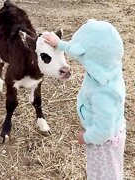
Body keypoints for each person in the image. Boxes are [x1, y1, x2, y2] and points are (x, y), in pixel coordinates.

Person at [43, 19, 126, 180]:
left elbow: (104, 130)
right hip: (105, 136)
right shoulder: (108, 66)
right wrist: (59, 43)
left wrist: (86, 137)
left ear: (91, 59)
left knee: (104, 175)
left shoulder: (104, 93)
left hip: (103, 144)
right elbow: (81, 50)